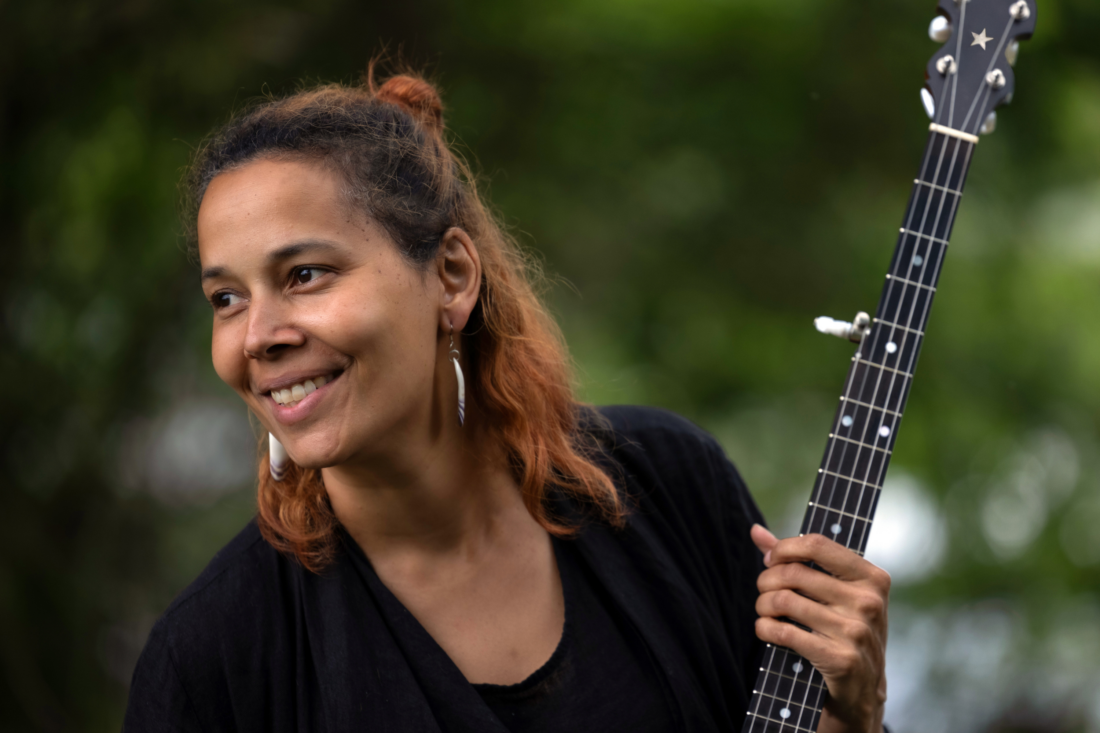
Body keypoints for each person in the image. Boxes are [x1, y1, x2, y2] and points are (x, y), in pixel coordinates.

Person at [124, 69, 891, 733]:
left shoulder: (665, 485)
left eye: (305, 275)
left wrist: (855, 713)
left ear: (452, 277)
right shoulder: (213, 660)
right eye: (226, 297)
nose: (256, 335)